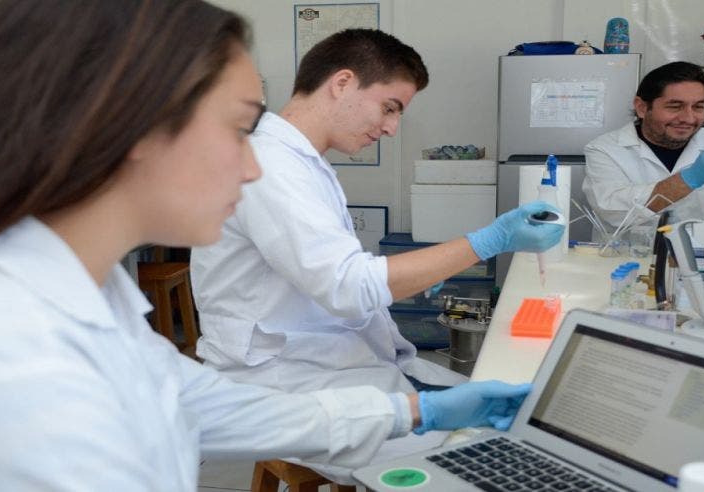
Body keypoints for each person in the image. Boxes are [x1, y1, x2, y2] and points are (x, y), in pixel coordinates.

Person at [0, 2, 533, 489]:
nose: (252, 168)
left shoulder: (91, 290)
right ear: (127, 122)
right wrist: (488, 240)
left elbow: (203, 404)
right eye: (239, 127)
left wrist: (416, 413)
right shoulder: (5, 365)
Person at [190, 28, 563, 481]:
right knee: (481, 458)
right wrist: (486, 242)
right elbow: (348, 286)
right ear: (343, 83)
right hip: (287, 380)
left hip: (334, 359)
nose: (391, 127)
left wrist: (423, 270)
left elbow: (333, 271)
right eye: (390, 107)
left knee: (512, 414)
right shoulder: (272, 164)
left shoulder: (304, 161)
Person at [582, 61, 704, 229]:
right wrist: (689, 179)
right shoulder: (605, 150)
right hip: (635, 259)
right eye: (675, 106)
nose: (688, 118)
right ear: (642, 108)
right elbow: (613, 211)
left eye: (698, 107)